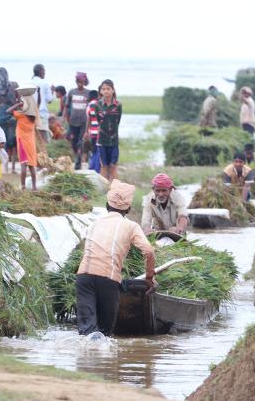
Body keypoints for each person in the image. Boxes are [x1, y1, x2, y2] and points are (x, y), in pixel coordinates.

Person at [76, 179, 156, 336]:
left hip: (84, 277)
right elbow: (149, 251)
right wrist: (149, 277)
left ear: (107, 205)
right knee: (105, 333)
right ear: (128, 209)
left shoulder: (94, 223)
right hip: (108, 279)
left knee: (86, 332)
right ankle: (104, 358)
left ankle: (87, 357)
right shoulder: (131, 226)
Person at [6, 87, 38, 191]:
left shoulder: (20, 116)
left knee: (23, 165)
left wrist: (18, 105)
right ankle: (34, 187)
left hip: (22, 143)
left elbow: (8, 111)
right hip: (31, 144)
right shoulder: (33, 117)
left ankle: (23, 186)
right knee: (32, 165)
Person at [93, 80, 122, 182]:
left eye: (108, 89)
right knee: (104, 166)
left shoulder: (118, 105)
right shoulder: (97, 105)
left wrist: (112, 133)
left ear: (113, 90)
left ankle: (114, 189)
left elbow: (117, 121)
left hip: (114, 140)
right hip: (102, 140)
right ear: (100, 91)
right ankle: (104, 190)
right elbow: (98, 121)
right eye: (104, 89)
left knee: (113, 166)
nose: (106, 91)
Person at [0, 67, 19, 173]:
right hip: (12, 115)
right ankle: (11, 168)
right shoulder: (14, 85)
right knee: (12, 142)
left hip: (2, 115)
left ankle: (6, 168)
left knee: (5, 142)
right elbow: (19, 100)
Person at [64, 72, 90, 170]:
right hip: (72, 121)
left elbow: (92, 107)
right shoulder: (71, 92)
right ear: (76, 82)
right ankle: (77, 155)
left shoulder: (88, 93)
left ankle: (78, 160)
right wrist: (65, 118)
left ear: (85, 82)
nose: (80, 84)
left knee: (81, 141)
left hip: (84, 122)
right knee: (73, 142)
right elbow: (67, 107)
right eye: (78, 82)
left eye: (82, 82)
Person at [32, 64, 54, 143]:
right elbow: (49, 100)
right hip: (41, 114)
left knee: (34, 138)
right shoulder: (44, 83)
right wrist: (52, 91)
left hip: (30, 114)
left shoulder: (29, 82)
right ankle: (43, 155)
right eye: (44, 71)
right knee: (43, 139)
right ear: (41, 71)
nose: (44, 73)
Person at [84, 90, 101, 173]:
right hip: (101, 132)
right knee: (98, 151)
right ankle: (97, 169)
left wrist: (86, 132)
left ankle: (91, 168)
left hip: (93, 132)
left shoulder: (90, 105)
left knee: (94, 150)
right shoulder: (101, 103)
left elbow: (88, 119)